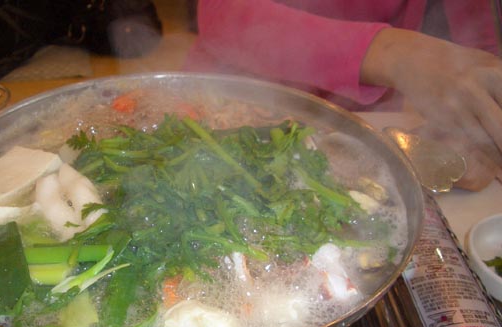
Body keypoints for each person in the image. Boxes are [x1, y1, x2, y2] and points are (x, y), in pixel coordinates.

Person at [184, 0, 502, 191]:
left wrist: (476, 117)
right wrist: (394, 53)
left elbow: (477, 27)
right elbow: (219, 12)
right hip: (227, 110)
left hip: (359, 122)